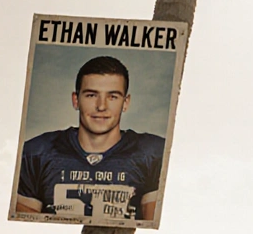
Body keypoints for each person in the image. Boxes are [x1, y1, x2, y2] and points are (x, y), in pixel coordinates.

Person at [16, 55, 165, 221]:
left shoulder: (152, 153)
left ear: (125, 103)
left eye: (113, 96)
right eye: (91, 95)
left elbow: (153, 233)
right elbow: (26, 232)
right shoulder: (36, 153)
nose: (101, 106)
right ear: (76, 100)